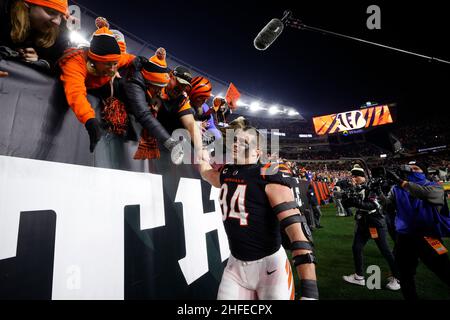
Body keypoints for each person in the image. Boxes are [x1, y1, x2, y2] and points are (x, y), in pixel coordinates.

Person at [198, 126, 318, 300]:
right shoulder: (227, 171)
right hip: (235, 266)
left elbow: (297, 234)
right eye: (235, 140)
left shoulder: (267, 174)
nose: (236, 144)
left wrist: (310, 293)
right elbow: (206, 173)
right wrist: (200, 152)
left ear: (258, 151)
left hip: (270, 267)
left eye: (244, 142)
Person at [58, 23, 135, 152]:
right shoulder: (75, 62)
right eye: (107, 64)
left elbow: (129, 58)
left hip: (102, 88)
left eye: (114, 64)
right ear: (94, 60)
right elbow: (75, 92)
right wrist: (89, 119)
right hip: (83, 86)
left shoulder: (115, 61)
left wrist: (142, 62)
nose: (112, 69)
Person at [382, 161, 450, 300]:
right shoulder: (396, 189)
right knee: (405, 274)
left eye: (415, 168)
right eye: (410, 168)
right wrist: (379, 193)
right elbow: (387, 207)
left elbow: (422, 193)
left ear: (423, 173)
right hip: (404, 237)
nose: (411, 170)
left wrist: (401, 182)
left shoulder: (434, 187)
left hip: (428, 236)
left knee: (445, 270)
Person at [117, 47, 183, 164]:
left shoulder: (150, 77)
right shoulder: (133, 82)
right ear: (150, 82)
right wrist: (170, 143)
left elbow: (157, 93)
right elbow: (143, 115)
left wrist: (157, 99)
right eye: (158, 88)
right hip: (117, 118)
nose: (160, 91)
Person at [342, 164, 401, 291]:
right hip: (363, 223)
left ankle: (397, 277)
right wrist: (349, 193)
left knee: (385, 251)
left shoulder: (373, 187)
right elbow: (346, 203)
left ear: (363, 177)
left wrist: (354, 201)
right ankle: (359, 277)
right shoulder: (357, 187)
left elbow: (372, 205)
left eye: (356, 176)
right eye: (353, 175)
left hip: (375, 223)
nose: (354, 178)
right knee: (356, 248)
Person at [0, 0, 70, 74]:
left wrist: (40, 61)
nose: (57, 22)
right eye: (51, 12)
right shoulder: (3, 11)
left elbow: (56, 63)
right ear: (28, 3)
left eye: (61, 16)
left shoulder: (59, 35)